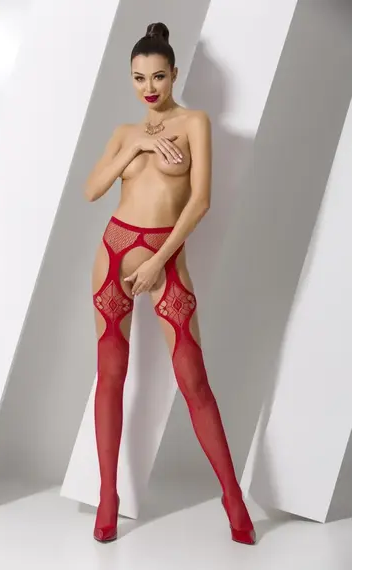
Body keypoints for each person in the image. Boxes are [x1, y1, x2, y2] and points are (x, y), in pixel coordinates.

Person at [85, 22, 256, 545]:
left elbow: (200, 201)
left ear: (175, 74)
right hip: (114, 252)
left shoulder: (193, 123)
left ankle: (233, 497)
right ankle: (108, 497)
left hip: (165, 258)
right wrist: (134, 146)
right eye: (139, 78)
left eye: (158, 76)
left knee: (193, 380)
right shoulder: (125, 132)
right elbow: (92, 190)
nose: (149, 87)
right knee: (111, 375)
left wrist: (158, 262)